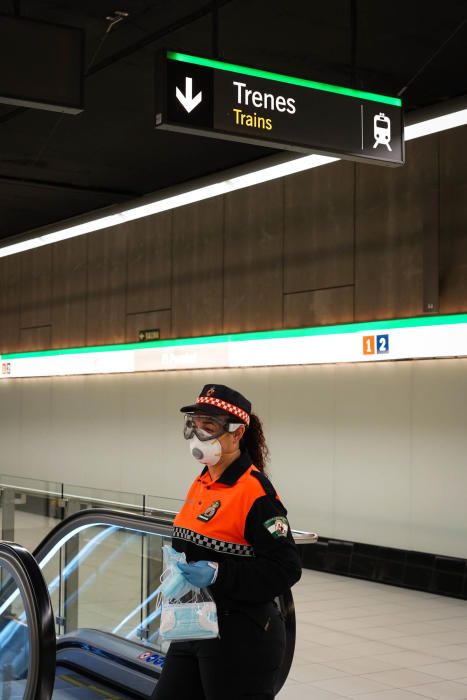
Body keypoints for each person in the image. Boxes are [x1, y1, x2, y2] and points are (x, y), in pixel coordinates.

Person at [153, 384, 302, 700]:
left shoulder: (255, 492)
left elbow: (286, 568)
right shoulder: (203, 481)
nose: (198, 437)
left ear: (237, 434)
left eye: (209, 428)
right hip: (195, 624)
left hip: (240, 637)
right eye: (195, 427)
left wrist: (218, 573)